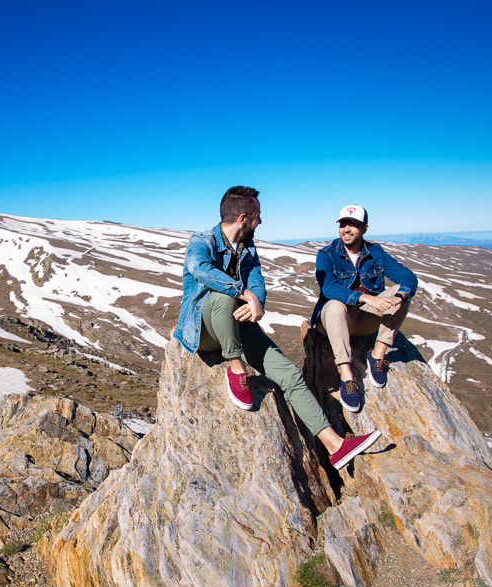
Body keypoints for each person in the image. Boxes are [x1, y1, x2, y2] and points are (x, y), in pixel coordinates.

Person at [173, 186, 381, 470]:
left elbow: (256, 278)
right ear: (244, 218)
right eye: (258, 216)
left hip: (237, 326)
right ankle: (236, 368)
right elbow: (199, 269)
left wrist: (257, 299)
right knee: (223, 297)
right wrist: (242, 293)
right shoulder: (202, 241)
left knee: (289, 374)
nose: (261, 222)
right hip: (205, 331)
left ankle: (335, 445)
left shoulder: (248, 248)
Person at [310, 204, 418, 412]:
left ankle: (377, 354)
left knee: (402, 291)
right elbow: (329, 287)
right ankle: (346, 376)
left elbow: (407, 277)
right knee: (333, 305)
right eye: (343, 224)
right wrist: (366, 299)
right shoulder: (327, 254)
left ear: (365, 228)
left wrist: (399, 296)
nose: (346, 229)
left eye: (353, 225)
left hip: (366, 322)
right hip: (336, 321)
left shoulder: (376, 253)